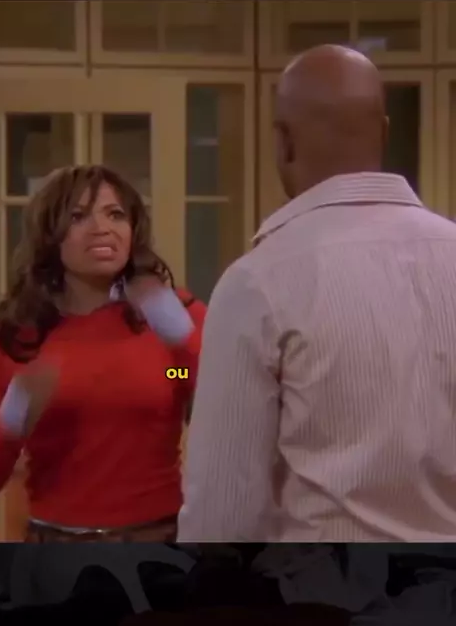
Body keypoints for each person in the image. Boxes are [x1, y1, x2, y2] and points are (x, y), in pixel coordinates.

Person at [178, 43, 456, 542]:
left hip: (325, 585)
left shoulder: (258, 283)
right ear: (384, 133)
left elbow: (223, 515)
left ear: (282, 142)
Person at [0, 164, 205, 542]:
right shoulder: (11, 336)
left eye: (115, 214)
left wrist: (179, 346)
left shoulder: (173, 313)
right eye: (78, 216)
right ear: (49, 234)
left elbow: (223, 404)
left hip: (158, 544)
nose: (102, 228)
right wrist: (11, 423)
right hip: (52, 551)